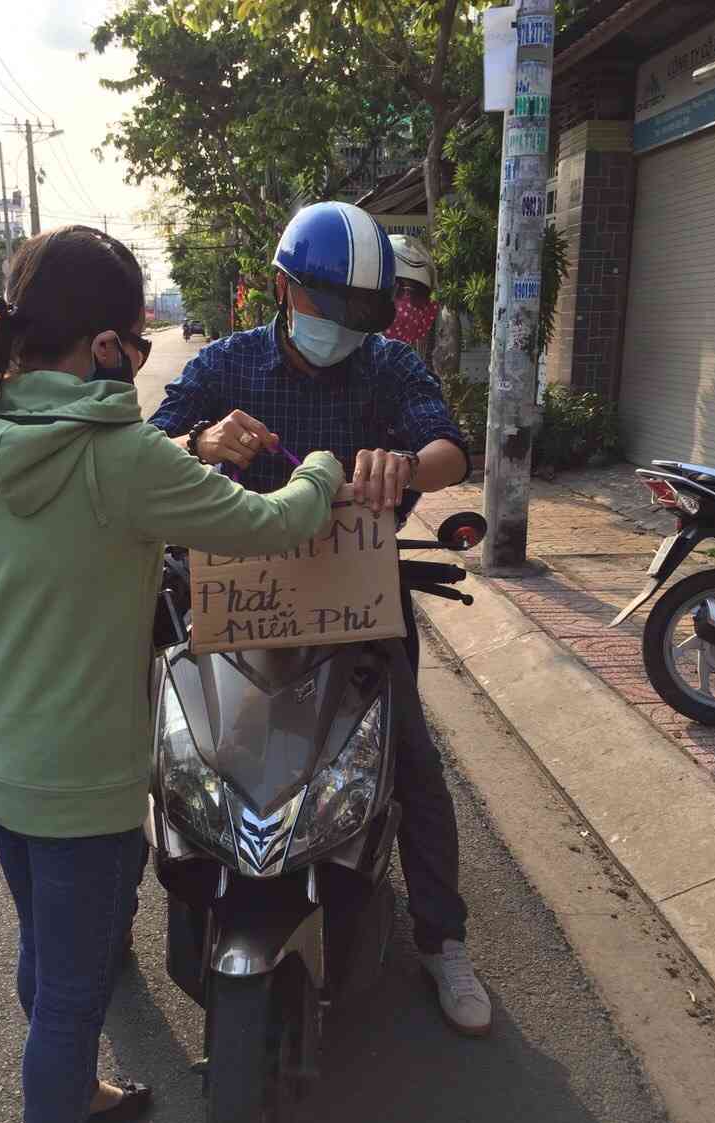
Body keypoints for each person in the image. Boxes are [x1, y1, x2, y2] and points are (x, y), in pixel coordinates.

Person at [0, 225, 344, 1123]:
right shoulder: (117, 458)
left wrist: (186, 453)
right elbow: (273, 524)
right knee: (75, 989)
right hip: (81, 775)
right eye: (137, 342)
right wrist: (324, 468)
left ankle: (73, 1091)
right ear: (108, 345)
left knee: (46, 952)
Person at [150, 201, 492, 1039]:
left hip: (355, 603)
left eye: (359, 312)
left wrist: (406, 465)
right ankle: (119, 915)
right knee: (166, 750)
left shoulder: (388, 367)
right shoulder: (227, 364)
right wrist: (201, 444)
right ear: (283, 289)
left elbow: (450, 448)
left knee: (412, 766)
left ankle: (442, 939)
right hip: (233, 602)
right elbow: (150, 446)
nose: (340, 326)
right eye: (325, 304)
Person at [385, 234, 439, 358]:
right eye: (396, 289)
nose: (405, 309)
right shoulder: (351, 357)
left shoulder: (413, 367)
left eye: (418, 293)